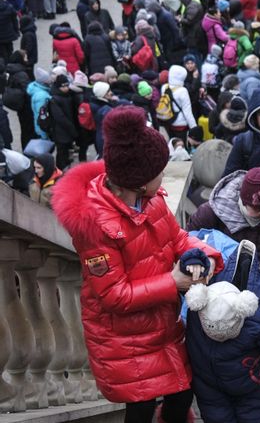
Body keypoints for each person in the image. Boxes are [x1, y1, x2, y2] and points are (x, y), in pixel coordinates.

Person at [51, 106, 223, 423]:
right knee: (141, 408)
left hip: (161, 326)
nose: (164, 174)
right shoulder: (97, 225)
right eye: (159, 170)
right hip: (123, 339)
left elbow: (178, 239)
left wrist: (206, 255)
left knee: (182, 395)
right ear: (140, 181)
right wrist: (174, 283)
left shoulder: (152, 200)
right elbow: (113, 295)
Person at [183, 230, 260, 423]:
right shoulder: (198, 299)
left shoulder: (259, 310)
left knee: (255, 419)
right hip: (209, 387)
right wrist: (191, 263)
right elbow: (185, 250)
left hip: (252, 386)